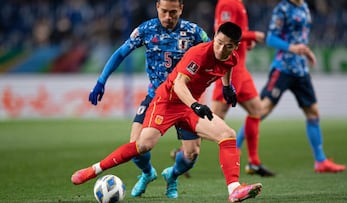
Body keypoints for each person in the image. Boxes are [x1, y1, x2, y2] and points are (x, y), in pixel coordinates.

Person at [71, 22, 262, 202]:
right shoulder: (199, 53)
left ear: (235, 47)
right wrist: (195, 105)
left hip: (189, 105)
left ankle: (234, 189)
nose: (221, 49)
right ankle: (95, 169)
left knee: (225, 136)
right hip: (167, 101)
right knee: (143, 145)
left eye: (228, 46)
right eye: (219, 43)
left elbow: (227, 65)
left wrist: (227, 87)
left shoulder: (231, 57)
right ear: (214, 38)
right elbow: (179, 84)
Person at [86, 0, 210, 198]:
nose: (168, 17)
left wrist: (227, 83)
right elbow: (120, 53)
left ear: (181, 9)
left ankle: (173, 175)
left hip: (185, 101)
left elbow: (214, 54)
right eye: (164, 12)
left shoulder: (194, 32)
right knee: (135, 146)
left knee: (192, 154)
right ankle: (147, 173)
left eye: (173, 12)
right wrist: (101, 80)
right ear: (157, 7)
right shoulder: (146, 29)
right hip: (156, 98)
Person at [237, 0, 345, 173]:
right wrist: (292, 48)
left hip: (301, 69)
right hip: (283, 68)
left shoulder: (304, 6)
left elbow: (300, 37)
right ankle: (235, 147)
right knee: (260, 110)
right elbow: (271, 38)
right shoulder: (282, 9)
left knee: (313, 112)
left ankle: (320, 161)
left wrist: (305, 51)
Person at [210, 0, 275, 177]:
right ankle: (185, 150)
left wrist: (246, 41)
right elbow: (224, 33)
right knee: (215, 117)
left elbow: (236, 33)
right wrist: (253, 35)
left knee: (256, 110)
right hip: (231, 66)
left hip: (241, 67)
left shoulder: (236, 2)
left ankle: (254, 162)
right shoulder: (229, 2)